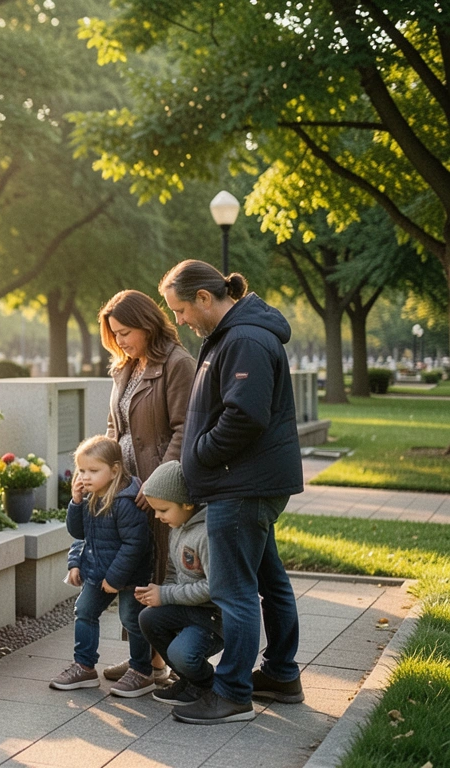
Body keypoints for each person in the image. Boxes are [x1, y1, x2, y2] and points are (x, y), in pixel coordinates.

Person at [159, 259, 304, 725]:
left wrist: (199, 453)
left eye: (180, 309)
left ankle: (233, 693)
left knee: (234, 590)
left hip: (241, 485)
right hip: (247, 481)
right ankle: (281, 675)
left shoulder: (243, 338)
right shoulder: (233, 335)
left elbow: (245, 415)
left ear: (204, 297)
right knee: (269, 580)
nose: (179, 320)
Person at [97, 289, 196, 685]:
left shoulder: (177, 363)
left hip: (158, 489)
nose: (119, 341)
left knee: (157, 571)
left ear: (146, 323)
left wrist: (157, 484)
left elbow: (184, 428)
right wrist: (103, 471)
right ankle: (147, 661)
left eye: (124, 332)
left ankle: (154, 664)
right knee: (136, 570)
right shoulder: (126, 367)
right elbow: (113, 426)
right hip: (126, 486)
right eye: (114, 334)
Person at [50, 436, 155, 697]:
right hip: (98, 573)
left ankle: (142, 671)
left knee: (131, 619)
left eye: (93, 471)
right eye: (82, 470)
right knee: (84, 610)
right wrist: (75, 502)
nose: (85, 476)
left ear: (115, 470)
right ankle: (84, 666)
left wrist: (116, 578)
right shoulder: (91, 497)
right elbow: (79, 533)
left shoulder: (125, 502)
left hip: (130, 575)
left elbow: (135, 544)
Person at [134, 460, 223, 707]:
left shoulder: (205, 534)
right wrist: (159, 596)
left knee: (180, 653)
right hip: (188, 609)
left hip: (212, 618)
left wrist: (167, 595)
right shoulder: (178, 527)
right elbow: (172, 573)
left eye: (162, 509)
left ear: (186, 503)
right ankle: (189, 679)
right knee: (148, 618)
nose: (157, 516)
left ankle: (207, 684)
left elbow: (213, 587)